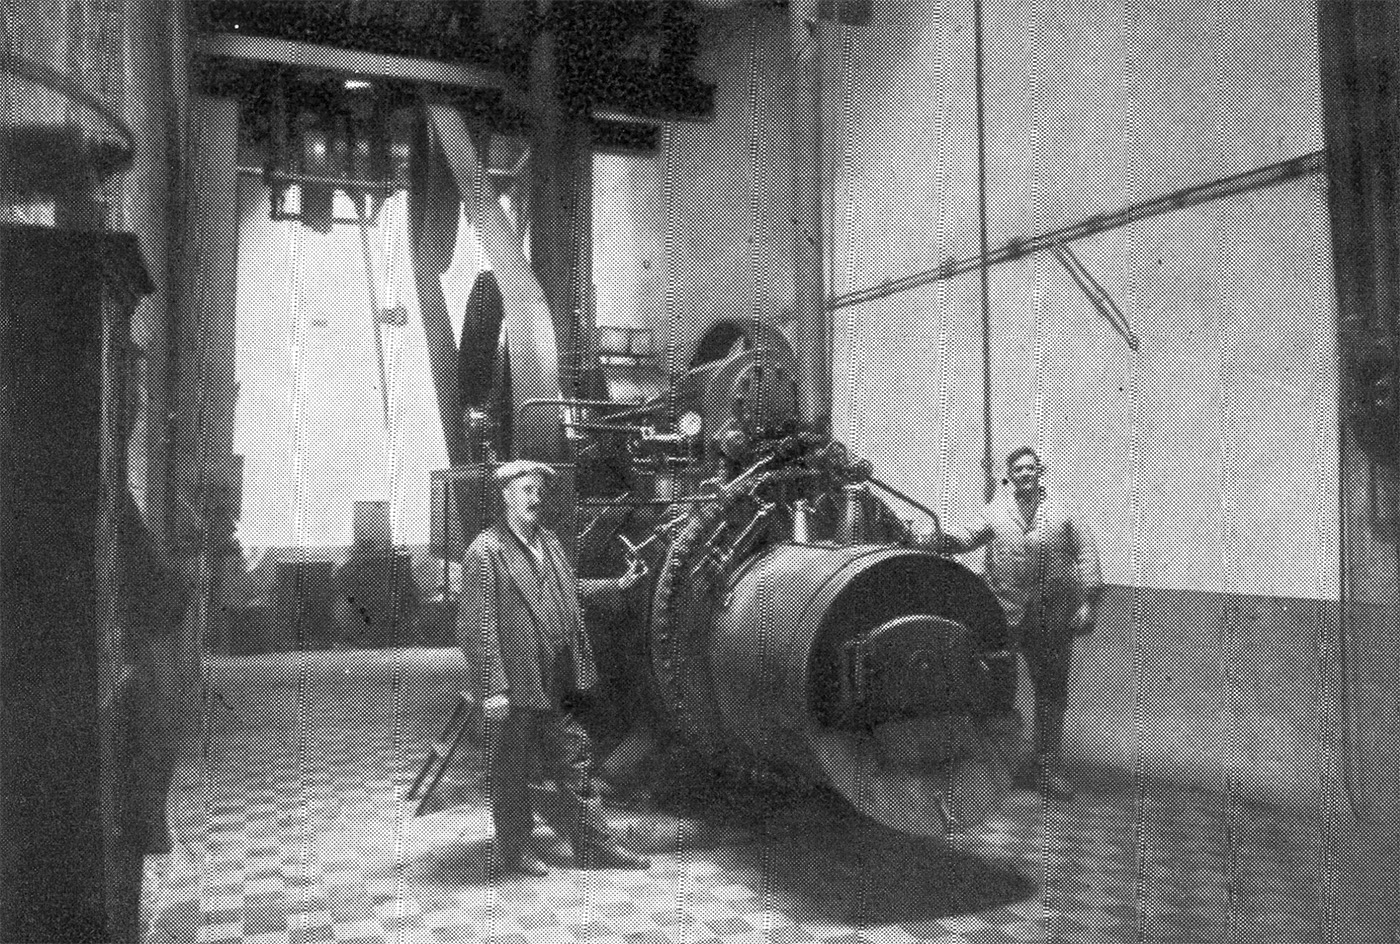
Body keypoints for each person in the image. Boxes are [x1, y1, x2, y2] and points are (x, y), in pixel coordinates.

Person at [457, 459, 650, 875]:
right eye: (526, 490)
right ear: (506, 496)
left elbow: (569, 589)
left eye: (539, 492)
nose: (535, 499)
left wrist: (616, 585)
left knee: (574, 756)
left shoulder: (548, 542)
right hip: (517, 681)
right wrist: (493, 688)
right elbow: (477, 625)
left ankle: (595, 846)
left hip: (557, 675)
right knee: (512, 766)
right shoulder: (486, 551)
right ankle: (515, 849)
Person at [922, 447, 1103, 798]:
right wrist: (932, 540)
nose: (1024, 474)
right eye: (1018, 469)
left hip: (1052, 616)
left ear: (1040, 471)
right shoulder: (995, 511)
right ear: (1010, 475)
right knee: (993, 687)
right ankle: (993, 766)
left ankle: (1046, 767)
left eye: (1030, 468)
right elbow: (966, 536)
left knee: (1051, 691)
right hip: (1003, 616)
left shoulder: (1065, 511)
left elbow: (1086, 556)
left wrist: (1088, 603)